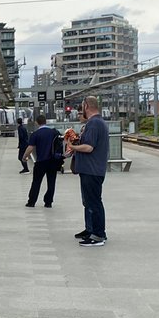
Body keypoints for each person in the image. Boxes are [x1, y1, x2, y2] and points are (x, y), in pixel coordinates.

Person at [67, 96, 109, 246]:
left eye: (81, 107)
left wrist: (73, 147)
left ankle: (98, 235)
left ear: (86, 106)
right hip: (91, 169)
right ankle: (90, 229)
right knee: (89, 202)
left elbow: (89, 147)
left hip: (92, 170)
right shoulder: (97, 123)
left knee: (94, 202)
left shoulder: (94, 123)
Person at [21, 114, 59, 207]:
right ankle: (48, 202)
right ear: (45, 122)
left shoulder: (36, 134)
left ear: (37, 123)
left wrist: (24, 157)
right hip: (53, 161)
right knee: (51, 182)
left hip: (41, 162)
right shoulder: (54, 132)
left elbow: (30, 148)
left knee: (36, 182)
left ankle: (32, 202)